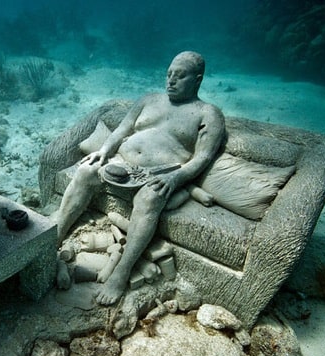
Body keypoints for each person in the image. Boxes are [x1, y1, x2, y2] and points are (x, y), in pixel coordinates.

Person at [55, 51, 226, 305]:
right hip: (121, 163)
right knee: (85, 171)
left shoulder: (208, 114)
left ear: (198, 79)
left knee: (148, 199)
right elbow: (121, 130)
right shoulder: (148, 99)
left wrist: (177, 178)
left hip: (162, 174)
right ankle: (54, 237)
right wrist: (103, 152)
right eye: (169, 74)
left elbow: (202, 158)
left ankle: (121, 273)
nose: (171, 81)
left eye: (180, 76)